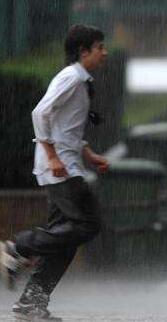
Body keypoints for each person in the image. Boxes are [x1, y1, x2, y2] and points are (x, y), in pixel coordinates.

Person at [0, 24, 108, 321]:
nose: (104, 52)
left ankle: (31, 303)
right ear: (83, 51)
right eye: (100, 47)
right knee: (89, 223)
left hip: (66, 165)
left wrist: (88, 153)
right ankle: (16, 246)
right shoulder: (72, 77)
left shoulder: (79, 80)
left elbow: (66, 125)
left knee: (66, 238)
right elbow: (40, 112)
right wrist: (51, 154)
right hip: (61, 169)